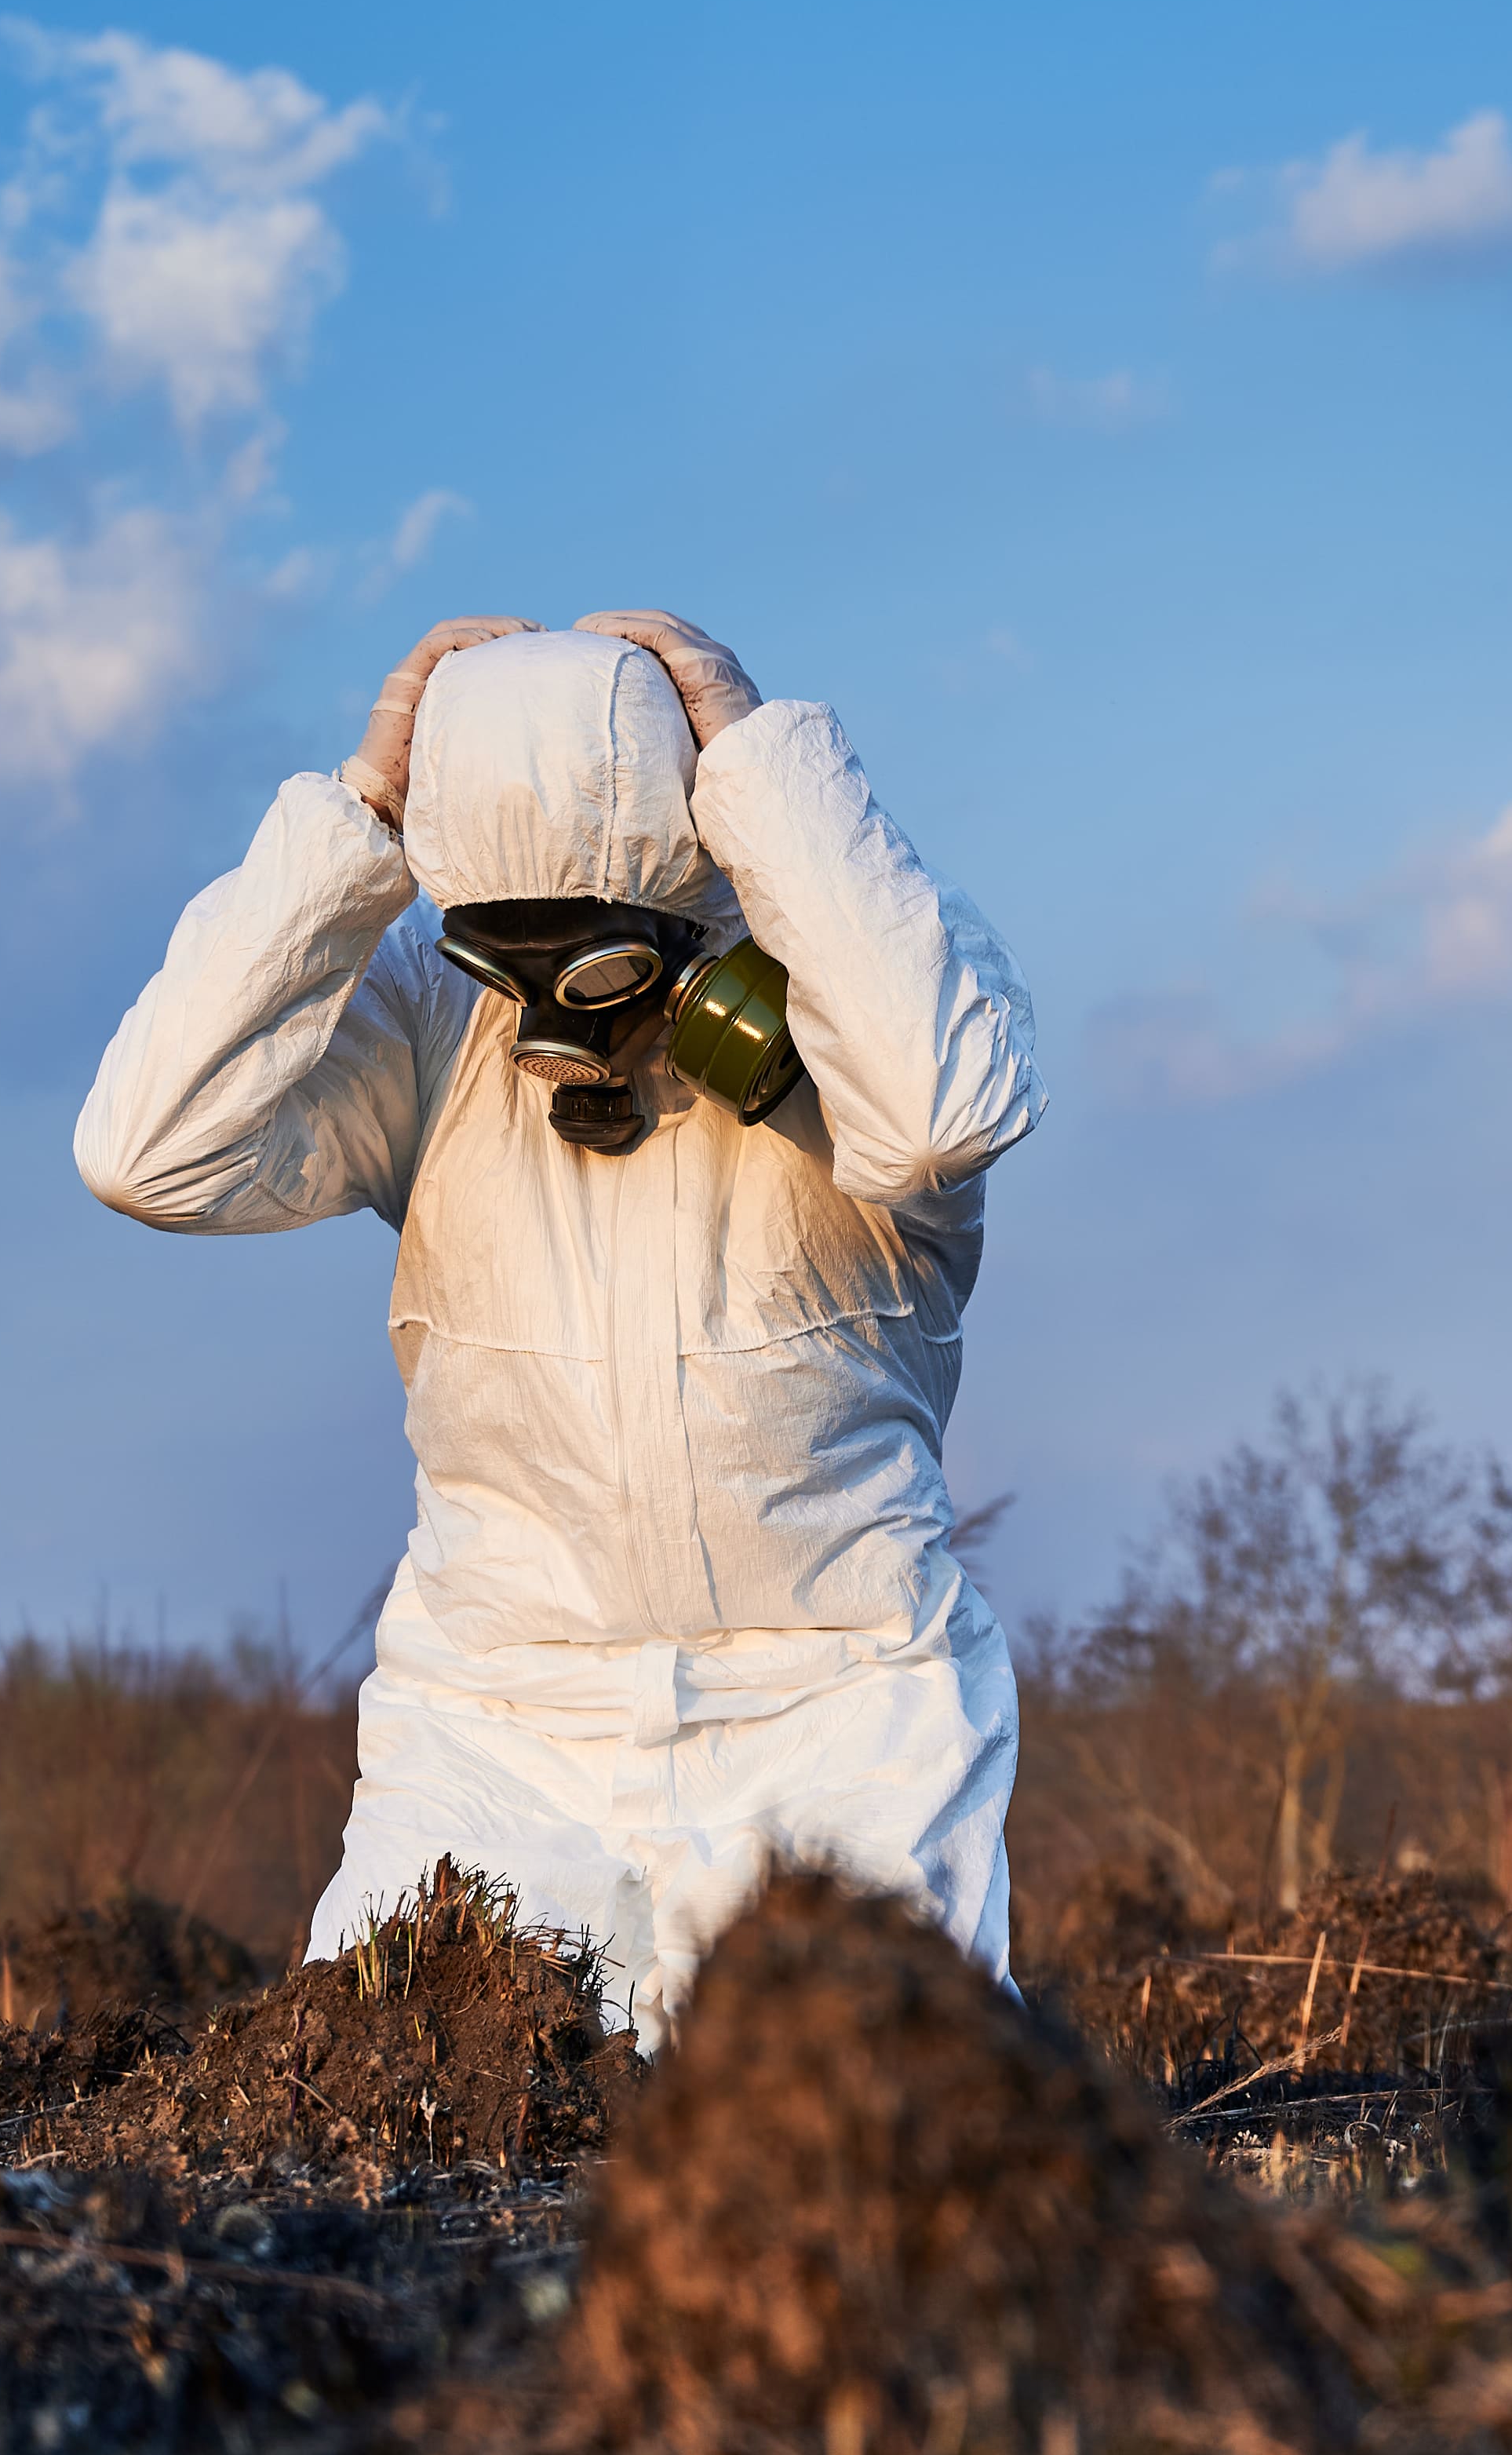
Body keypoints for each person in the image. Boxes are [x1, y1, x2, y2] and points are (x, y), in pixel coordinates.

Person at [75, 612, 1044, 2041]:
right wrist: (361, 820)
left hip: (840, 1705)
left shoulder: (874, 994)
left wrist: (764, 770)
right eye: (502, 961)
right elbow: (145, 1149)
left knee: (871, 2142)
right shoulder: (430, 1025)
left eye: (592, 965)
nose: (546, 1013)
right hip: (496, 1723)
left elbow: (948, 1107)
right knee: (392, 2101)